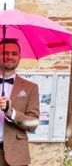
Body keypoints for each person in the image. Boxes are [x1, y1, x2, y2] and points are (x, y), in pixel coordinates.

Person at [0, 38, 39, 166]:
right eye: (4, 53)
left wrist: (11, 113)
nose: (9, 57)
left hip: (16, 156)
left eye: (14, 53)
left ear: (20, 57)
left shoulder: (30, 87)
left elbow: (33, 123)